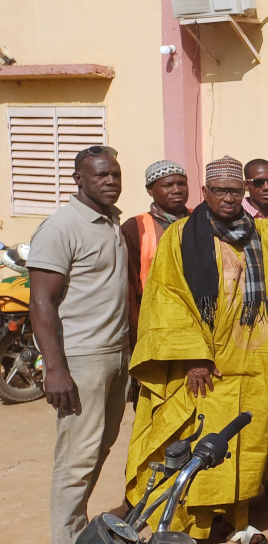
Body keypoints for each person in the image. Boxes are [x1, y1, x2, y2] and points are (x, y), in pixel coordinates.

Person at [126, 155, 268, 539]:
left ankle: (237, 522)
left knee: (245, 444)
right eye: (220, 191)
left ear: (246, 193)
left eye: (235, 191)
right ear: (205, 192)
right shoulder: (181, 236)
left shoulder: (264, 234)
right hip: (209, 367)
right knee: (202, 444)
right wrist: (194, 358)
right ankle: (196, 527)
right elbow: (167, 298)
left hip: (256, 365)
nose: (228, 198)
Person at [29, 145, 129, 544]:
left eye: (116, 175)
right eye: (101, 175)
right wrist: (55, 369)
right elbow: (41, 302)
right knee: (77, 458)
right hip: (81, 360)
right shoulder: (61, 227)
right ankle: (66, 537)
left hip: (116, 355)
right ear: (79, 179)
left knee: (100, 448)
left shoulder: (111, 222)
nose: (110, 182)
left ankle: (77, 528)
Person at [122, 160, 190, 345]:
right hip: (153, 318)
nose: (177, 190)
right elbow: (128, 284)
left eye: (181, 184)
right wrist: (136, 333)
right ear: (150, 190)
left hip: (194, 317)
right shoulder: (136, 227)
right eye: (168, 185)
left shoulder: (200, 219)